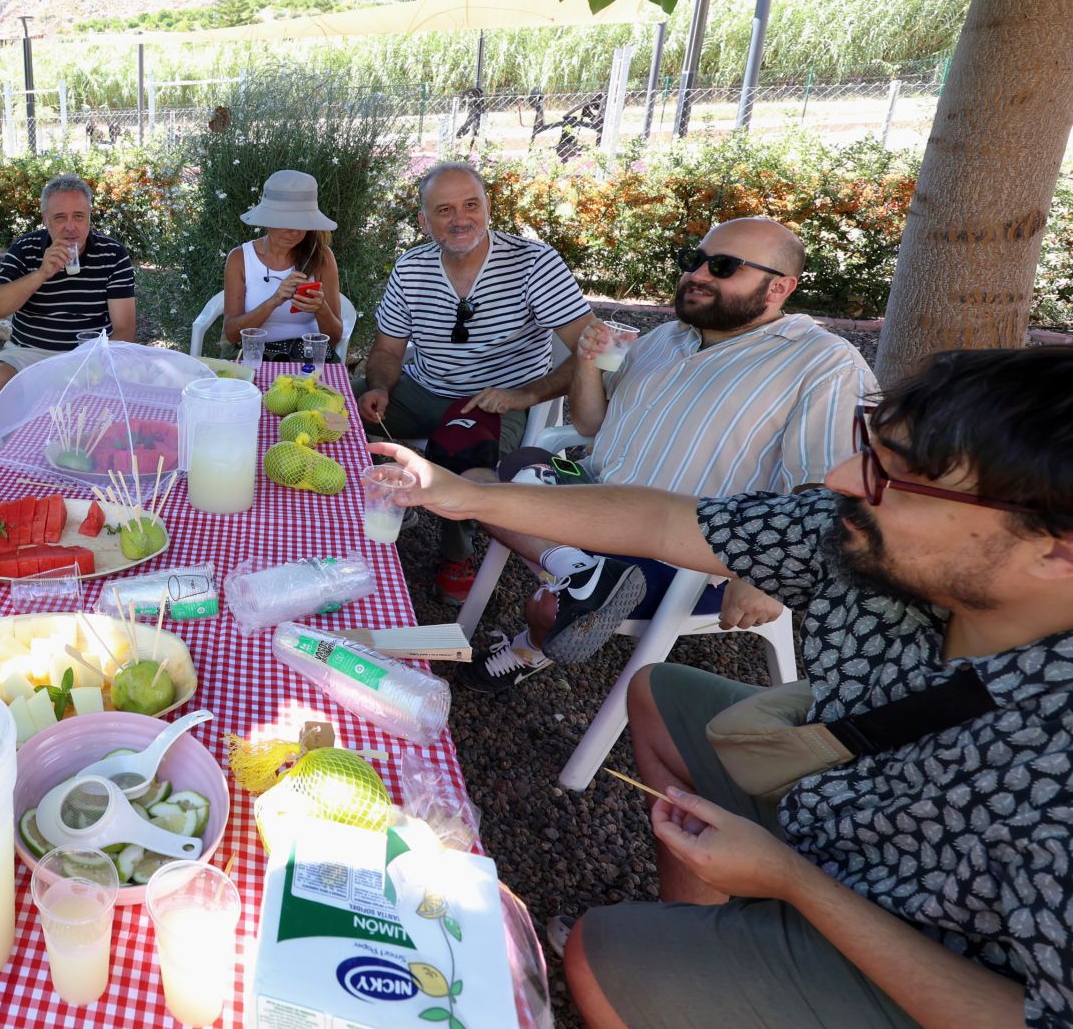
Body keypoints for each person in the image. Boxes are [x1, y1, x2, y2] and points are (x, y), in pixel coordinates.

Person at [375, 345, 1073, 1029]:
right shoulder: (863, 535)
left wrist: (797, 884)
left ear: (1057, 546)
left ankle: (706, 959)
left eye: (900, 478)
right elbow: (666, 520)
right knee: (656, 693)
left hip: (931, 951)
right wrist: (461, 493)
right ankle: (712, 937)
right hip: (841, 801)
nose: (838, 478)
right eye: (871, 449)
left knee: (599, 953)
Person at [457, 218, 877, 693]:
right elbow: (591, 425)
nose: (697, 274)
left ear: (779, 287)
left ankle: (530, 644)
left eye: (721, 266)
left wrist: (771, 570)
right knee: (478, 481)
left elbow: (835, 486)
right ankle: (583, 572)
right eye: (692, 261)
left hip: (680, 551)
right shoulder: (665, 338)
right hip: (593, 498)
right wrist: (589, 368)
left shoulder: (823, 362)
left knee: (546, 611)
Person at [355, 161, 594, 598]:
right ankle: (369, 500)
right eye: (444, 210)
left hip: (494, 402)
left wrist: (527, 394)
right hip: (423, 388)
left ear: (488, 207)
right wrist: (380, 387)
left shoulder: (534, 263)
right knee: (340, 407)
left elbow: (590, 350)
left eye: (471, 204)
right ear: (424, 221)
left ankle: (457, 550)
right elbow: (388, 351)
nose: (460, 219)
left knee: (463, 451)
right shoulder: (411, 267)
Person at [0, 174, 137, 408]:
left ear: (89, 219)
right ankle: (17, 445)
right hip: (30, 353)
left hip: (91, 356)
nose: (70, 227)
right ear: (46, 220)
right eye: (60, 217)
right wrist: (41, 273)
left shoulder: (112, 254)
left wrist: (90, 365)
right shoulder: (25, 248)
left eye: (79, 217)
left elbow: (125, 329)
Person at [222, 168, 344, 362]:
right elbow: (232, 334)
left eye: (302, 223)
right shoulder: (240, 258)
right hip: (255, 355)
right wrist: (274, 300)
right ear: (267, 220)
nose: (294, 231)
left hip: (308, 357)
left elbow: (335, 337)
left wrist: (320, 308)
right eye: (285, 222)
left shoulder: (321, 257)